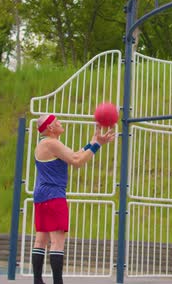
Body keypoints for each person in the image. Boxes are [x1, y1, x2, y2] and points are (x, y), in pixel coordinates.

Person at [31, 114, 116, 284]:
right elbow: (77, 161)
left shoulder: (44, 144)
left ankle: (38, 281)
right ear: (50, 128)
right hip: (54, 196)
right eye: (57, 122)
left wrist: (93, 142)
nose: (60, 123)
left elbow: (74, 154)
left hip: (41, 195)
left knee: (41, 240)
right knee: (57, 242)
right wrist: (98, 144)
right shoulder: (52, 143)